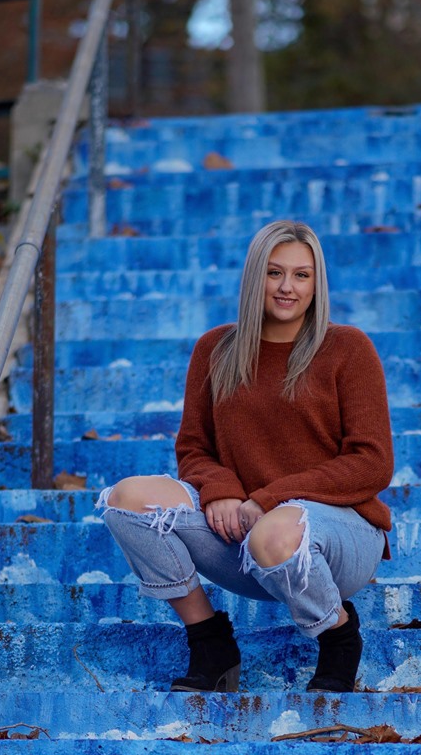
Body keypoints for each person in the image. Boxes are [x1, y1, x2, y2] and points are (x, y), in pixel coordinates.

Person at [97, 220, 394, 693]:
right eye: (275, 273)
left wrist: (266, 499)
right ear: (255, 276)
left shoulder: (347, 349)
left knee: (276, 529)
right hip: (245, 536)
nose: (287, 287)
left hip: (340, 536)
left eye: (302, 275)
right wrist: (220, 492)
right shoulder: (215, 350)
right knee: (127, 500)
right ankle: (209, 640)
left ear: (318, 283)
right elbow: (193, 447)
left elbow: (372, 461)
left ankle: (339, 635)